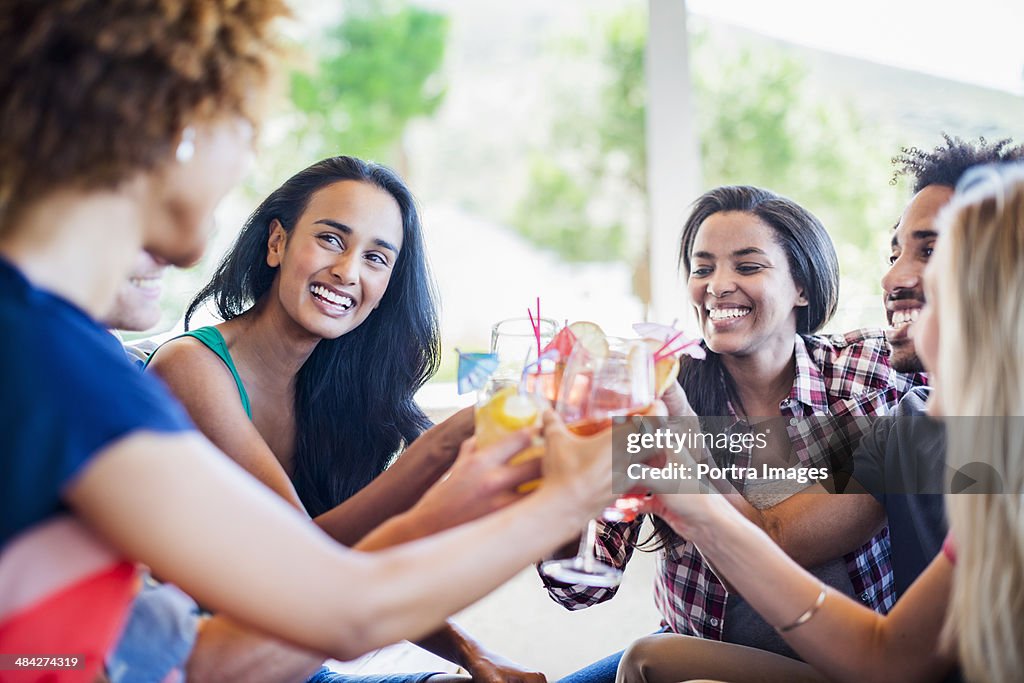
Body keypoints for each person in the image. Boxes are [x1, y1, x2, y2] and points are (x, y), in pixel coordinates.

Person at [0, 3, 631, 681]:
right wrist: (564, 496)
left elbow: (198, 661)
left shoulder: (49, 347)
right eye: (244, 129)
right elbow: (338, 606)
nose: (245, 158)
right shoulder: (67, 369)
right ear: (170, 128)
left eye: (377, 257)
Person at [611, 135, 1024, 683]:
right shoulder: (920, 429)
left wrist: (687, 477)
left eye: (932, 253)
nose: (893, 278)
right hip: (725, 640)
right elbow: (891, 660)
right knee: (648, 657)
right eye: (895, 253)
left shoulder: (889, 390)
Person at [143, 155, 546, 682]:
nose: (349, 271)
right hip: (197, 662)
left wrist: (476, 655)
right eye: (332, 239)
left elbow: (359, 565)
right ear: (276, 243)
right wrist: (446, 443)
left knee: (637, 663)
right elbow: (311, 557)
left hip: (294, 664)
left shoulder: (334, 391)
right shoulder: (193, 368)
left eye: (377, 258)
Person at [545, 185, 924, 682]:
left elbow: (971, 377)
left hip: (840, 663)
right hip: (699, 658)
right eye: (702, 269)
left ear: (801, 287)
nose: (717, 285)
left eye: (748, 266)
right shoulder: (657, 393)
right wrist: (558, 479)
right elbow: (581, 588)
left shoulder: (871, 369)